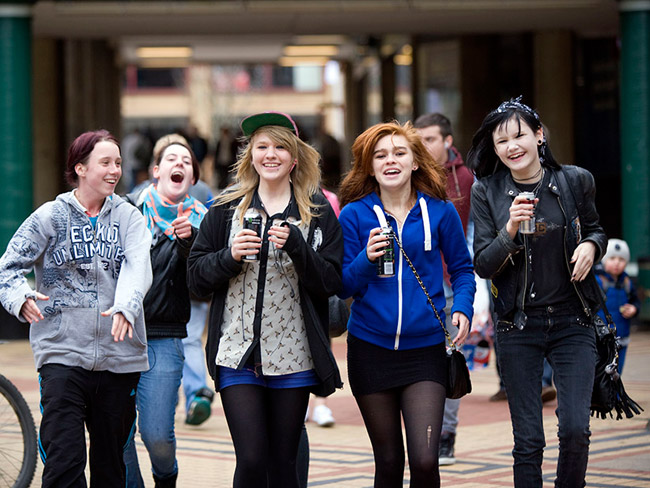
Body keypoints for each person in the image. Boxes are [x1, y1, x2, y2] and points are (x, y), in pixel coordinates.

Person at [187, 111, 343, 488]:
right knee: (252, 459)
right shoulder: (225, 209)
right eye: (261, 147)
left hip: (294, 356)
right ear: (250, 155)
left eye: (280, 148)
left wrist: (298, 247)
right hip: (236, 354)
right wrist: (229, 256)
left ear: (294, 158)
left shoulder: (317, 211)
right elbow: (195, 279)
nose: (270, 155)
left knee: (284, 463)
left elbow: (331, 281)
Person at [468, 97, 607, 488]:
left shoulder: (575, 181)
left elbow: (596, 229)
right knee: (528, 440)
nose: (512, 146)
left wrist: (592, 246)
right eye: (501, 141)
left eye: (520, 136)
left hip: (573, 319)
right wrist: (510, 229)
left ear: (539, 135)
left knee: (576, 429)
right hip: (517, 326)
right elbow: (483, 264)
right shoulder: (487, 191)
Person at [0, 130, 153, 487]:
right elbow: (7, 268)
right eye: (105, 162)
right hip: (61, 354)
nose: (115, 170)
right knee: (64, 460)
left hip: (119, 358)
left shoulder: (129, 218)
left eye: (118, 162)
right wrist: (20, 297)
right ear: (80, 168)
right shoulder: (50, 216)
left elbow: (138, 268)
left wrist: (126, 307)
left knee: (110, 466)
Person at [338, 121, 475, 487]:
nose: (390, 160)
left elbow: (462, 269)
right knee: (388, 462)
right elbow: (343, 284)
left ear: (415, 162)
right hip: (370, 350)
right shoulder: (353, 215)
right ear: (370, 167)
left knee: (426, 460)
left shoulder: (441, 211)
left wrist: (463, 307)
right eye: (380, 155)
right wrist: (366, 258)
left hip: (425, 351)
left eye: (400, 153)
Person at [122, 134, 207, 487]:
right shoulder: (127, 211)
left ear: (193, 178)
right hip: (119, 336)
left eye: (186, 162)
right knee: (118, 434)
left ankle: (165, 477)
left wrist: (190, 243)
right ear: (156, 171)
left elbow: (204, 287)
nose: (179, 164)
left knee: (156, 435)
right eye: (171, 159)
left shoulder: (204, 223)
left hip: (165, 336)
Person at [414, 112, 474, 466]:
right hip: (416, 286)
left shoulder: (465, 179)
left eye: (430, 139)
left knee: (450, 360)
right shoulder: (409, 175)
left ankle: (445, 436)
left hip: (451, 284)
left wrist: (473, 296)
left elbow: (472, 237)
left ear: (447, 141)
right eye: (418, 139)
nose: (423, 145)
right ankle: (423, 434)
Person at [595, 238, 640, 373]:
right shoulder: (597, 281)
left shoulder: (627, 282)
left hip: (622, 338)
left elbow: (635, 301)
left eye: (621, 259)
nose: (617, 263)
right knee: (600, 373)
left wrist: (634, 309)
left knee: (616, 373)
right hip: (600, 338)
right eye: (612, 258)